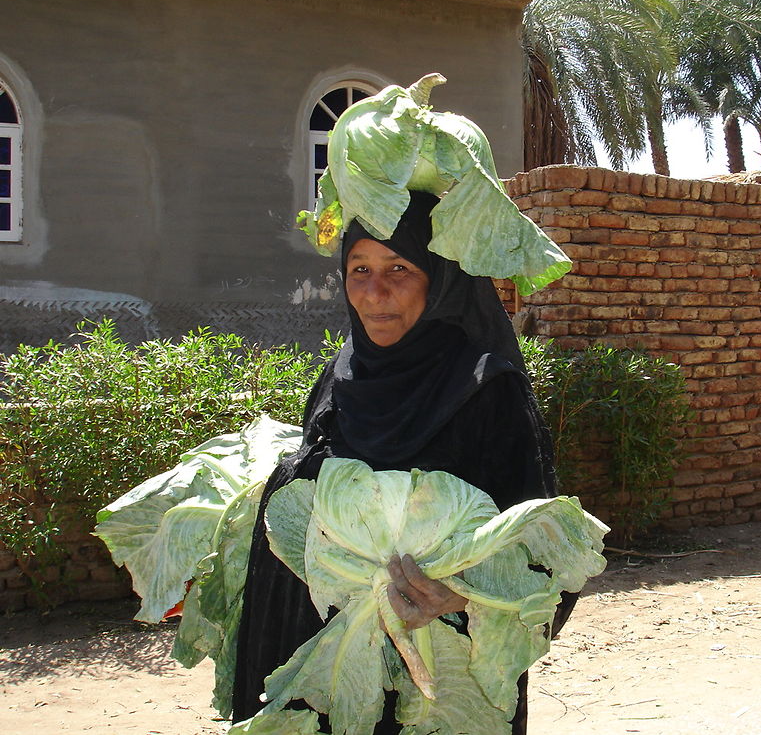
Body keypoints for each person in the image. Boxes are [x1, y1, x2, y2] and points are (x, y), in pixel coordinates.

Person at [231, 190, 575, 733]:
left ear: (440, 278)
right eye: (359, 268)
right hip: (324, 661)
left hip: (437, 672)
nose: (375, 291)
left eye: (400, 268)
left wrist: (459, 595)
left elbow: (548, 547)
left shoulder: (485, 390)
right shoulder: (342, 376)